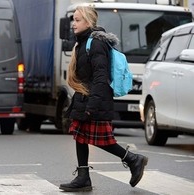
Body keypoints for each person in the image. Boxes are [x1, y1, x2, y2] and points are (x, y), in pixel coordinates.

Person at [59, 6, 148, 192]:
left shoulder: (96, 43)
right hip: (84, 97)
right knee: (80, 137)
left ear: (89, 22)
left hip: (94, 99)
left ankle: (133, 159)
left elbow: (101, 76)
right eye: (73, 20)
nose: (73, 24)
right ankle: (83, 177)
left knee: (103, 140)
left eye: (77, 20)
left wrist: (92, 104)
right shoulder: (83, 42)